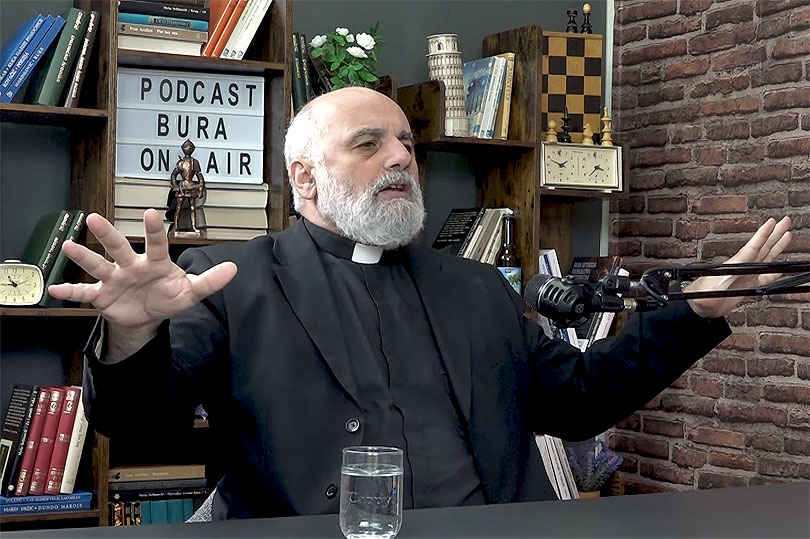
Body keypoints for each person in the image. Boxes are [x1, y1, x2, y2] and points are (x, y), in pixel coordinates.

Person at [50, 87, 793, 521]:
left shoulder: (474, 285)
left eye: (406, 142)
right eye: (368, 143)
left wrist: (692, 312)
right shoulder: (230, 279)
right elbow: (137, 424)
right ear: (304, 178)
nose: (401, 156)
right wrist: (132, 335)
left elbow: (577, 399)